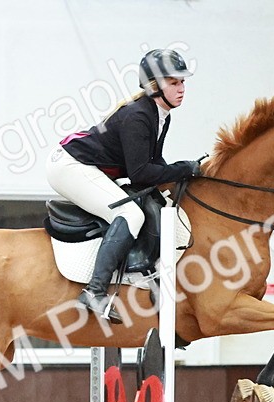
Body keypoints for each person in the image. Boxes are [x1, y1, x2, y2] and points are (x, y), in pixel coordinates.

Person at [46, 48, 203, 324]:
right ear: (154, 86)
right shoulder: (139, 116)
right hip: (71, 166)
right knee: (130, 214)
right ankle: (94, 292)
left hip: (85, 165)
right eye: (174, 83)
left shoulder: (160, 114)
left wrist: (181, 177)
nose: (182, 89)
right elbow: (141, 173)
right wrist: (184, 168)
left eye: (183, 82)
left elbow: (155, 162)